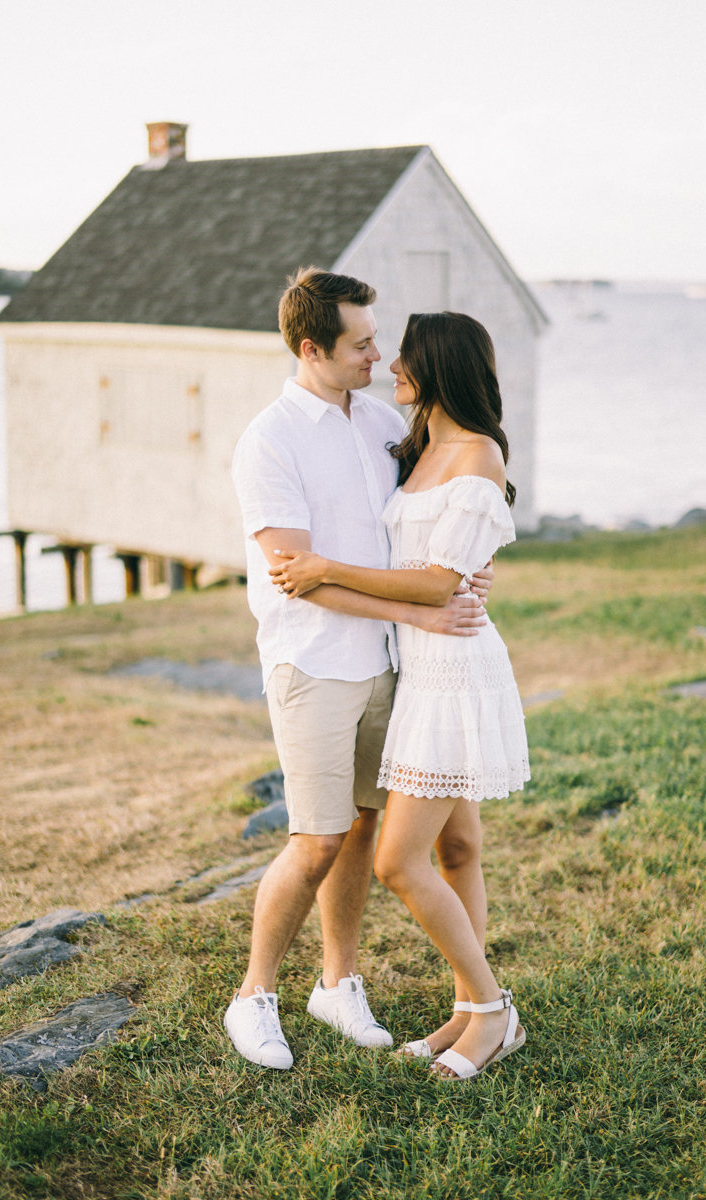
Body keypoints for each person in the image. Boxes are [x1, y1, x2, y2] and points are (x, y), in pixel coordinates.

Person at [226, 269, 494, 1071]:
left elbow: (453, 503)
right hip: (312, 664)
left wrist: (473, 563)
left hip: (390, 667)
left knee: (367, 828)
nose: (380, 354)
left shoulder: (381, 421)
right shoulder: (268, 440)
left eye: (377, 339)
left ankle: (337, 982)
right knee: (315, 839)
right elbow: (296, 572)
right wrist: (417, 611)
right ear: (312, 349)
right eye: (362, 343)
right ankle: (254, 997)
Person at [271, 311, 531, 1082]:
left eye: (404, 358)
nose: (390, 367)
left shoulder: (478, 454)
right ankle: (466, 1009)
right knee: (457, 849)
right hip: (416, 666)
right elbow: (432, 556)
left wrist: (324, 570)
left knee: (397, 859)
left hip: (453, 670)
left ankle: (492, 1012)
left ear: (438, 365)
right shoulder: (414, 444)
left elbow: (437, 582)